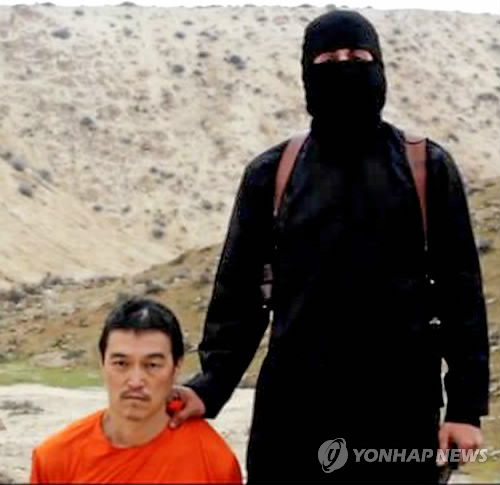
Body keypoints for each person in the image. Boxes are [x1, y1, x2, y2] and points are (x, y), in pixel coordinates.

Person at [167, 9, 490, 483]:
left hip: (399, 415)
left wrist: (464, 408)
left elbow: (460, 297)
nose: (345, 67)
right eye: (329, 59)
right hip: (295, 417)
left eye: (358, 56)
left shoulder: (427, 167)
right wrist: (210, 385)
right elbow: (239, 297)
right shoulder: (272, 173)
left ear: (379, 65)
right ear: (307, 72)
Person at [30, 297, 242, 484]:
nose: (135, 381)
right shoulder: (55, 459)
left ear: (176, 366)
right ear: (102, 363)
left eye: (152, 365)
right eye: (121, 364)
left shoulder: (214, 463)